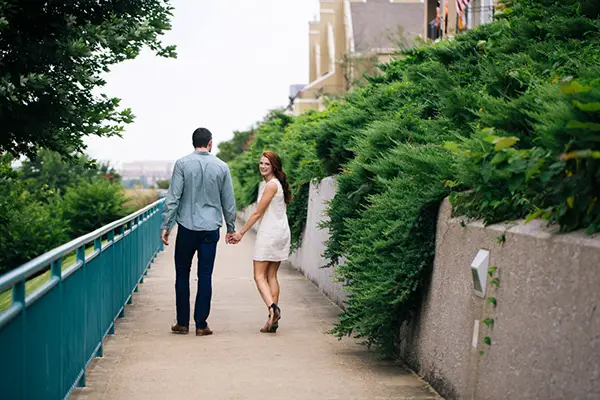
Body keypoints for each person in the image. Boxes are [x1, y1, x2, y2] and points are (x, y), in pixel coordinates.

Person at [160, 127, 237, 336]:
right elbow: (228, 202)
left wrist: (166, 225)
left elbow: (173, 197)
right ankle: (201, 325)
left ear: (193, 142)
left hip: (186, 228)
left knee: (182, 274)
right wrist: (231, 228)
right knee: (205, 276)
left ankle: (183, 323)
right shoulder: (222, 167)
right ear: (210, 143)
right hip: (210, 229)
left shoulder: (182, 164)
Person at [229, 151, 291, 333]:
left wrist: (241, 232)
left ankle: (273, 308)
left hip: (270, 234)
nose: (263, 166)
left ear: (274, 166)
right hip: (280, 233)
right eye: (261, 163)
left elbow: (257, 212)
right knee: (271, 276)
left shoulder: (271, 185)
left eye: (267, 164)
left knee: (259, 276)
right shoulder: (276, 184)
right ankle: (272, 321)